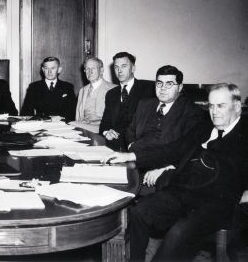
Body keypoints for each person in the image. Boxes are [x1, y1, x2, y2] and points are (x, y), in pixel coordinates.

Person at [128, 83, 248, 261]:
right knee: (139, 212)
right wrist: (132, 156)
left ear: (237, 106)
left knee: (178, 233)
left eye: (221, 106)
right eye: (211, 105)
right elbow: (173, 150)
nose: (214, 112)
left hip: (219, 202)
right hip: (184, 190)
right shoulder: (205, 127)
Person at [104, 65, 206, 174]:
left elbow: (184, 149)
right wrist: (131, 145)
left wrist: (167, 167)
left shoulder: (191, 112)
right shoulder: (144, 104)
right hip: (134, 160)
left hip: (162, 166)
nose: (163, 88)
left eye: (169, 84)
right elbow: (130, 130)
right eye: (159, 83)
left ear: (180, 87)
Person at [100, 52, 155, 150]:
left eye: (124, 66)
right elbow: (104, 124)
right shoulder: (111, 94)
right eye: (116, 67)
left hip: (136, 144)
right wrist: (107, 132)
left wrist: (117, 132)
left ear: (133, 68)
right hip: (114, 144)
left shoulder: (147, 89)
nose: (119, 71)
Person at [20, 56, 76, 121]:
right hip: (41, 125)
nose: (49, 72)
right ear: (43, 70)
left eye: (53, 68)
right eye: (46, 68)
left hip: (62, 125)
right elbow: (26, 112)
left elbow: (73, 112)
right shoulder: (34, 87)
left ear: (59, 69)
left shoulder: (67, 87)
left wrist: (62, 118)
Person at [74, 57, 116, 128]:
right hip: (83, 128)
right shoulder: (82, 90)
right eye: (87, 69)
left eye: (93, 68)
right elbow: (78, 117)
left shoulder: (113, 89)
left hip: (103, 129)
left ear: (101, 70)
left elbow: (116, 119)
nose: (90, 72)